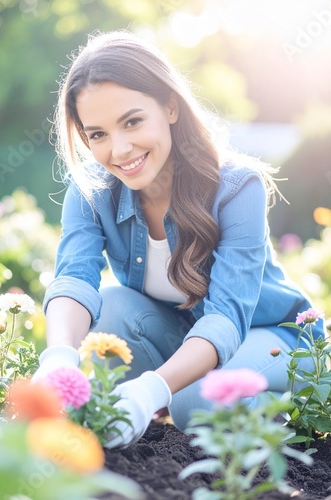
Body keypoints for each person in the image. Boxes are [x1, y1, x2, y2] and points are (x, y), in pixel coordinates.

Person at [33, 30, 325, 448]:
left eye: (132, 121)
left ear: (170, 106)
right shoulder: (91, 189)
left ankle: (295, 410)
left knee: (195, 404)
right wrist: (59, 357)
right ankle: (183, 394)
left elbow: (225, 317)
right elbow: (74, 279)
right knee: (110, 311)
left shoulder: (236, 187)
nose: (119, 149)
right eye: (97, 134)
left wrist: (151, 390)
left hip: (273, 338)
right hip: (186, 333)